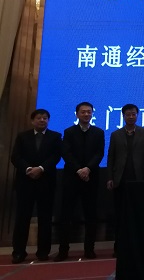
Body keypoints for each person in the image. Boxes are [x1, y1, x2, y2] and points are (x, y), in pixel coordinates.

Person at [55, 102, 105, 262]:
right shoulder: (69, 132)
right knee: (66, 215)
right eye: (83, 112)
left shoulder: (98, 132)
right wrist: (78, 170)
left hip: (91, 178)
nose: (86, 114)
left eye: (89, 112)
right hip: (72, 178)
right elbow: (66, 153)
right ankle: (63, 250)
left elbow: (99, 153)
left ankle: (89, 249)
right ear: (77, 114)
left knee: (91, 215)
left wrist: (88, 169)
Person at [11, 109, 62, 264]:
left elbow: (56, 157)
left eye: (45, 118)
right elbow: (16, 157)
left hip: (46, 182)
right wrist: (28, 169)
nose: (42, 120)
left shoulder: (55, 136)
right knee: (22, 218)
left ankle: (43, 252)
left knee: (45, 218)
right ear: (32, 120)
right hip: (25, 182)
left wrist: (40, 168)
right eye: (39, 118)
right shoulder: (22, 136)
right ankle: (19, 252)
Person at [106, 104, 144, 255]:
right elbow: (111, 157)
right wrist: (110, 177)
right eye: (128, 114)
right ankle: (119, 246)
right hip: (120, 180)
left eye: (133, 114)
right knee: (120, 215)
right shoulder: (115, 134)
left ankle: (138, 246)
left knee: (138, 215)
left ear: (137, 115)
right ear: (123, 116)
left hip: (139, 180)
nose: (131, 117)